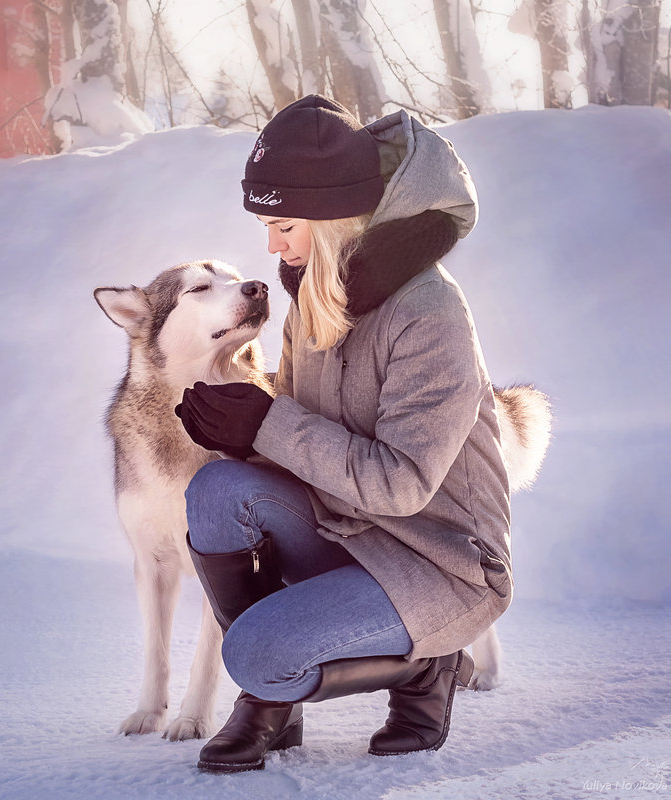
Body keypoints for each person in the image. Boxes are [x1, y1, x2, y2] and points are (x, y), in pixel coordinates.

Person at [174, 95, 512, 773]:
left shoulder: (429, 313)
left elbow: (402, 484)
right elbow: (305, 441)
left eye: (284, 225)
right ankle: (277, 701)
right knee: (216, 489)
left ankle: (422, 667)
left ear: (334, 218)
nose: (272, 245)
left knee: (252, 652)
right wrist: (243, 433)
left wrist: (269, 422)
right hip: (344, 528)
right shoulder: (317, 295)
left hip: (440, 563)